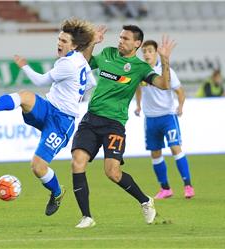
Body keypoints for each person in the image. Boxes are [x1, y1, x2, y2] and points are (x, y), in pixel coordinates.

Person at [0, 18, 96, 216]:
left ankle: (57, 192)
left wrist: (24, 66)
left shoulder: (68, 64)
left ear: (74, 45)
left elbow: (40, 80)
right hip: (49, 107)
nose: (59, 43)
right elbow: (90, 82)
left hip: (62, 122)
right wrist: (76, 92)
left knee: (37, 166)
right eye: (59, 39)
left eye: (64, 41)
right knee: (25, 96)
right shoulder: (79, 61)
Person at [71, 25, 176, 228]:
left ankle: (145, 201)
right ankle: (87, 217)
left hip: (114, 124)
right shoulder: (108, 53)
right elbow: (82, 61)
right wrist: (92, 42)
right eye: (120, 37)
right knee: (77, 162)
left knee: (112, 172)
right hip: (91, 119)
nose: (120, 41)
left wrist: (164, 58)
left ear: (137, 43)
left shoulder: (140, 68)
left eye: (126, 38)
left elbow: (164, 84)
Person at [135, 40, 195, 200]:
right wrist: (138, 106)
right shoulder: (141, 71)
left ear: (156, 53)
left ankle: (188, 185)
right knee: (155, 153)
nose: (146, 54)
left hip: (168, 116)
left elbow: (180, 91)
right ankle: (165, 188)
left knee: (175, 148)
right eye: (144, 51)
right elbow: (138, 88)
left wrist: (180, 106)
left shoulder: (166, 71)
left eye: (149, 51)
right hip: (151, 119)